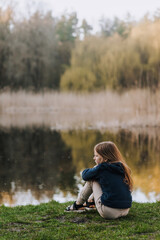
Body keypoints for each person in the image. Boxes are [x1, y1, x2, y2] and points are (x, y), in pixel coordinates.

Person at [66, 141, 133, 219]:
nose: (94, 158)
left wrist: (95, 168)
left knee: (92, 179)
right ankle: (91, 202)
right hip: (125, 210)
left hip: (108, 212)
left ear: (105, 158)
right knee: (99, 178)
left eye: (96, 156)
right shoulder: (123, 167)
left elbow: (85, 176)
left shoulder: (102, 168)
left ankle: (77, 205)